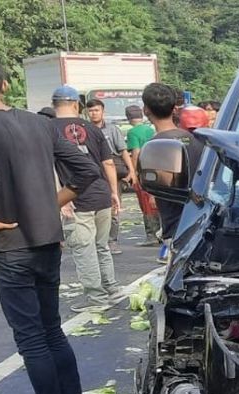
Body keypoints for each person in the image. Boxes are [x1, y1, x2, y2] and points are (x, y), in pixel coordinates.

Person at [0, 53, 100, 394]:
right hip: (46, 239)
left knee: (31, 337)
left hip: (12, 245)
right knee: (52, 328)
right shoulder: (41, 124)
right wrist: (50, 203)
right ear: (5, 84)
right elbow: (86, 171)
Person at [50, 85, 122, 312]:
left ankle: (97, 299)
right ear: (76, 105)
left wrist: (60, 198)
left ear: (54, 105)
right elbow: (108, 163)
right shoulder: (93, 128)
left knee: (84, 249)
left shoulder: (48, 129)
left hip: (74, 195)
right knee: (101, 246)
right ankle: (112, 289)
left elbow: (49, 167)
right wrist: (114, 193)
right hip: (100, 192)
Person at [141, 82, 204, 263]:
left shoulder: (155, 146)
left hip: (177, 225)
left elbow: (161, 185)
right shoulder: (195, 139)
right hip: (201, 219)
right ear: (174, 108)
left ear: (146, 110)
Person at [86, 98, 132, 254]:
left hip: (112, 172)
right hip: (92, 172)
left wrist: (132, 170)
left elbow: (123, 151)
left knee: (114, 207)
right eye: (91, 111)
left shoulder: (112, 130)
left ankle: (111, 241)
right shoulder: (84, 129)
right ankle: (95, 240)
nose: (93, 113)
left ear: (103, 112)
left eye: (96, 110)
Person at [125, 104, 162, 246]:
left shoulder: (133, 132)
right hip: (157, 168)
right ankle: (160, 232)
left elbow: (135, 153)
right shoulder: (151, 129)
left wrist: (133, 172)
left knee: (145, 204)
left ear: (128, 118)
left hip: (144, 170)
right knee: (156, 202)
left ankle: (151, 235)